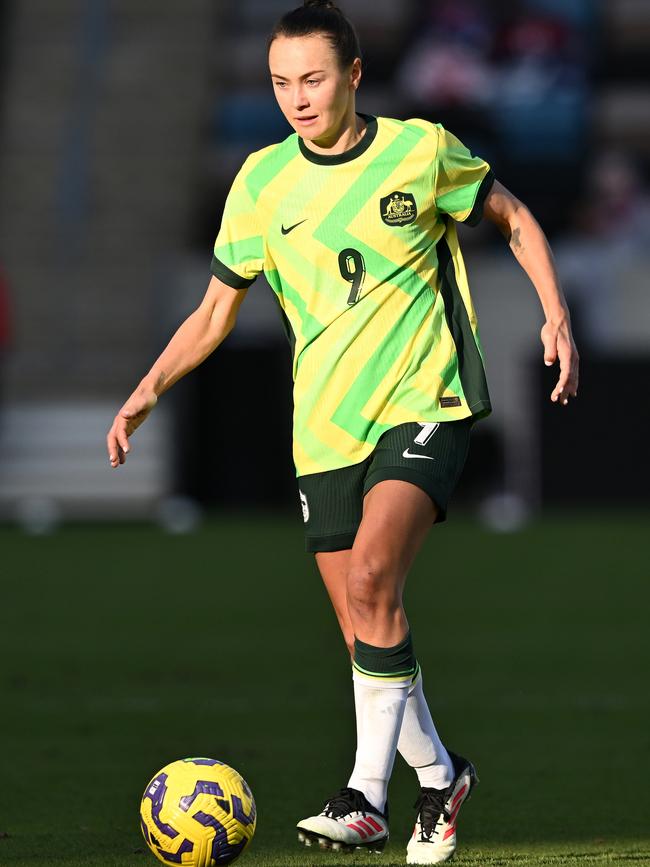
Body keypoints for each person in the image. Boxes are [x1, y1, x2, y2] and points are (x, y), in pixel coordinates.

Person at [106, 1, 579, 863]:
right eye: (281, 82)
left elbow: (508, 214)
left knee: (370, 578)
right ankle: (442, 776)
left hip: (424, 400)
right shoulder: (260, 181)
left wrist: (554, 312)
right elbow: (217, 308)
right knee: (367, 623)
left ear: (355, 75)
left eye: (313, 78)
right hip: (322, 428)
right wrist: (149, 387)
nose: (297, 96)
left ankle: (364, 795)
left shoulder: (419, 149)